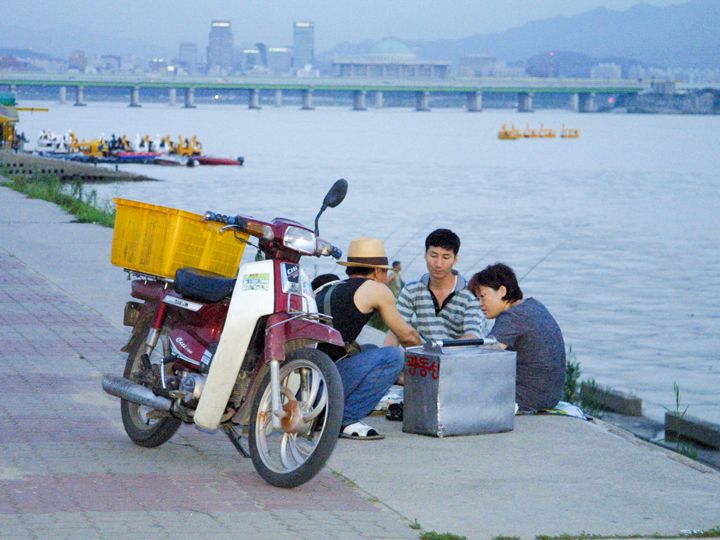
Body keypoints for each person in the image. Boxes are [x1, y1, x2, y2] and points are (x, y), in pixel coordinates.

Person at [316, 237, 421, 440]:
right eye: (385, 272)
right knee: (393, 356)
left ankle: (327, 413)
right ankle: (346, 418)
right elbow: (407, 337)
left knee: (371, 349)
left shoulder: (334, 287)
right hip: (324, 384)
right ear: (377, 271)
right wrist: (434, 356)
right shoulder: (375, 289)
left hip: (311, 380)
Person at [470, 263, 566, 411]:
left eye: (483, 296)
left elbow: (482, 358)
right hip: (552, 396)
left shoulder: (512, 317)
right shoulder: (535, 306)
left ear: (502, 291)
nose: (480, 304)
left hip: (527, 398)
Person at [385, 228, 487, 344]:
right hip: (425, 357)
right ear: (425, 255)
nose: (438, 264)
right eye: (433, 256)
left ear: (455, 259)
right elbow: (396, 329)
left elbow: (472, 336)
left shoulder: (470, 293)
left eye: (445, 257)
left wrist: (439, 351)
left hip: (461, 356)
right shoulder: (412, 290)